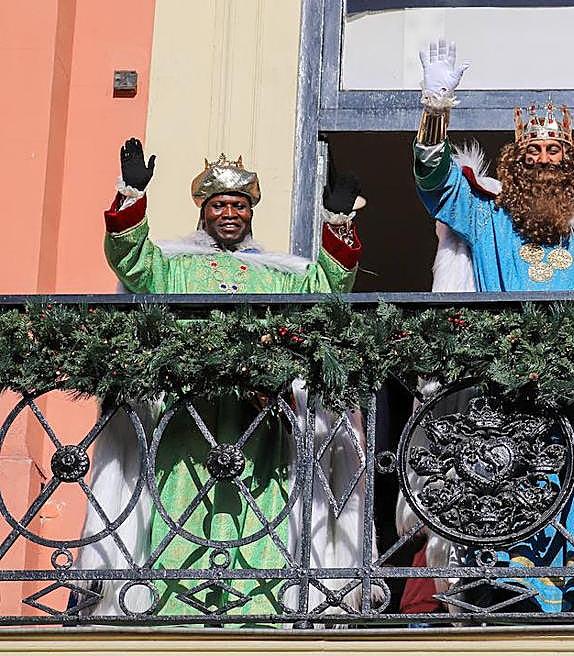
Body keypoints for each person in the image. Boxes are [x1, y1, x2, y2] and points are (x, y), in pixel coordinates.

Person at [395, 39, 574, 615]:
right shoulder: (487, 215)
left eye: (556, 154)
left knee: (572, 484)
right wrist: (435, 108)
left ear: (573, 167)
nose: (545, 160)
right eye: (535, 153)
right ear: (515, 164)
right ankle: (502, 585)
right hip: (502, 386)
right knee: (498, 484)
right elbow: (437, 187)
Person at [77, 140, 371, 619]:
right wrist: (131, 194)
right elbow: (132, 265)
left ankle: (262, 608)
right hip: (188, 419)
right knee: (180, 503)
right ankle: (172, 608)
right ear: (204, 212)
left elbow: (326, 290)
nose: (229, 213)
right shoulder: (173, 267)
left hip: (262, 420)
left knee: (266, 509)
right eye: (219, 205)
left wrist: (337, 223)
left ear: (251, 213)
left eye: (238, 205)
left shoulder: (281, 275)